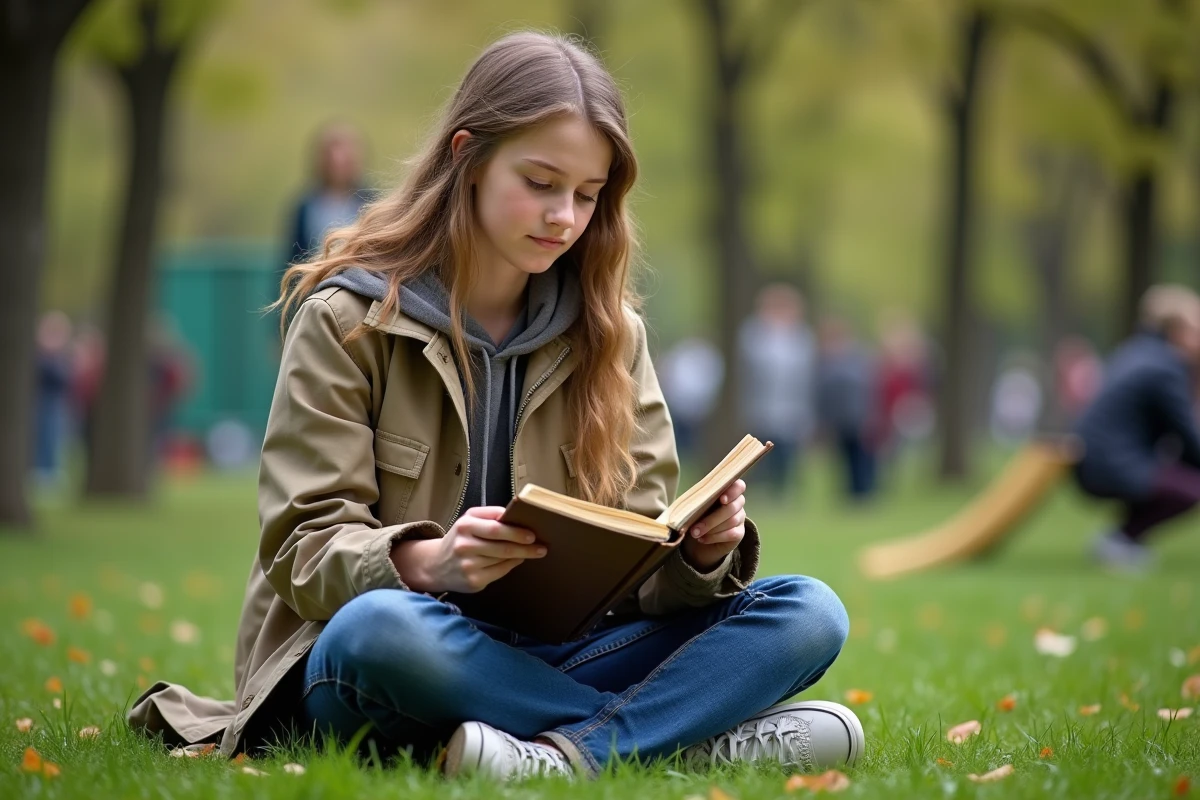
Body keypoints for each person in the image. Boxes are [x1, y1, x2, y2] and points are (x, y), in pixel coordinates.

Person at [127, 33, 861, 781]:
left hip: (559, 653)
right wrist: (432, 561)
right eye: (540, 182)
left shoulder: (613, 336)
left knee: (808, 612)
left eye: (587, 194)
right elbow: (302, 548)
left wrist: (701, 554)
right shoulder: (348, 319)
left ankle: (558, 754)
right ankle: (673, 735)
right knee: (377, 631)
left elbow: (642, 567)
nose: (565, 217)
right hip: (396, 654)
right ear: (466, 156)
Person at [1073, 285, 1200, 569]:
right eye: (1196, 328)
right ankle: (1120, 540)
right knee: (1193, 489)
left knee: (1177, 478)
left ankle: (1124, 540)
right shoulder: (1165, 368)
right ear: (1176, 331)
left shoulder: (1140, 352)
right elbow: (1188, 437)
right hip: (1113, 463)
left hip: (1100, 458)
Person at [737, 283, 817, 499]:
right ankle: (761, 487)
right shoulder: (754, 334)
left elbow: (805, 375)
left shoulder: (801, 337)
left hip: (792, 407)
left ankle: (783, 490)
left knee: (787, 452)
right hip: (761, 406)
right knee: (761, 450)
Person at [281, 122, 372, 284]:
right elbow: (292, 260)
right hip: (313, 286)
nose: (338, 160)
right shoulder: (306, 206)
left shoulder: (370, 203)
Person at [816, 316, 877, 502]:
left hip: (857, 418)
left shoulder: (857, 360)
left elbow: (867, 390)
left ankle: (862, 492)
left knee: (860, 457)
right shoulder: (825, 363)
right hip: (838, 420)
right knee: (842, 459)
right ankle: (850, 492)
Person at [658, 336, 724, 463]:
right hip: (680, 407)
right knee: (680, 441)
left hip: (698, 410)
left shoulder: (707, 359)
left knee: (692, 442)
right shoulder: (683, 356)